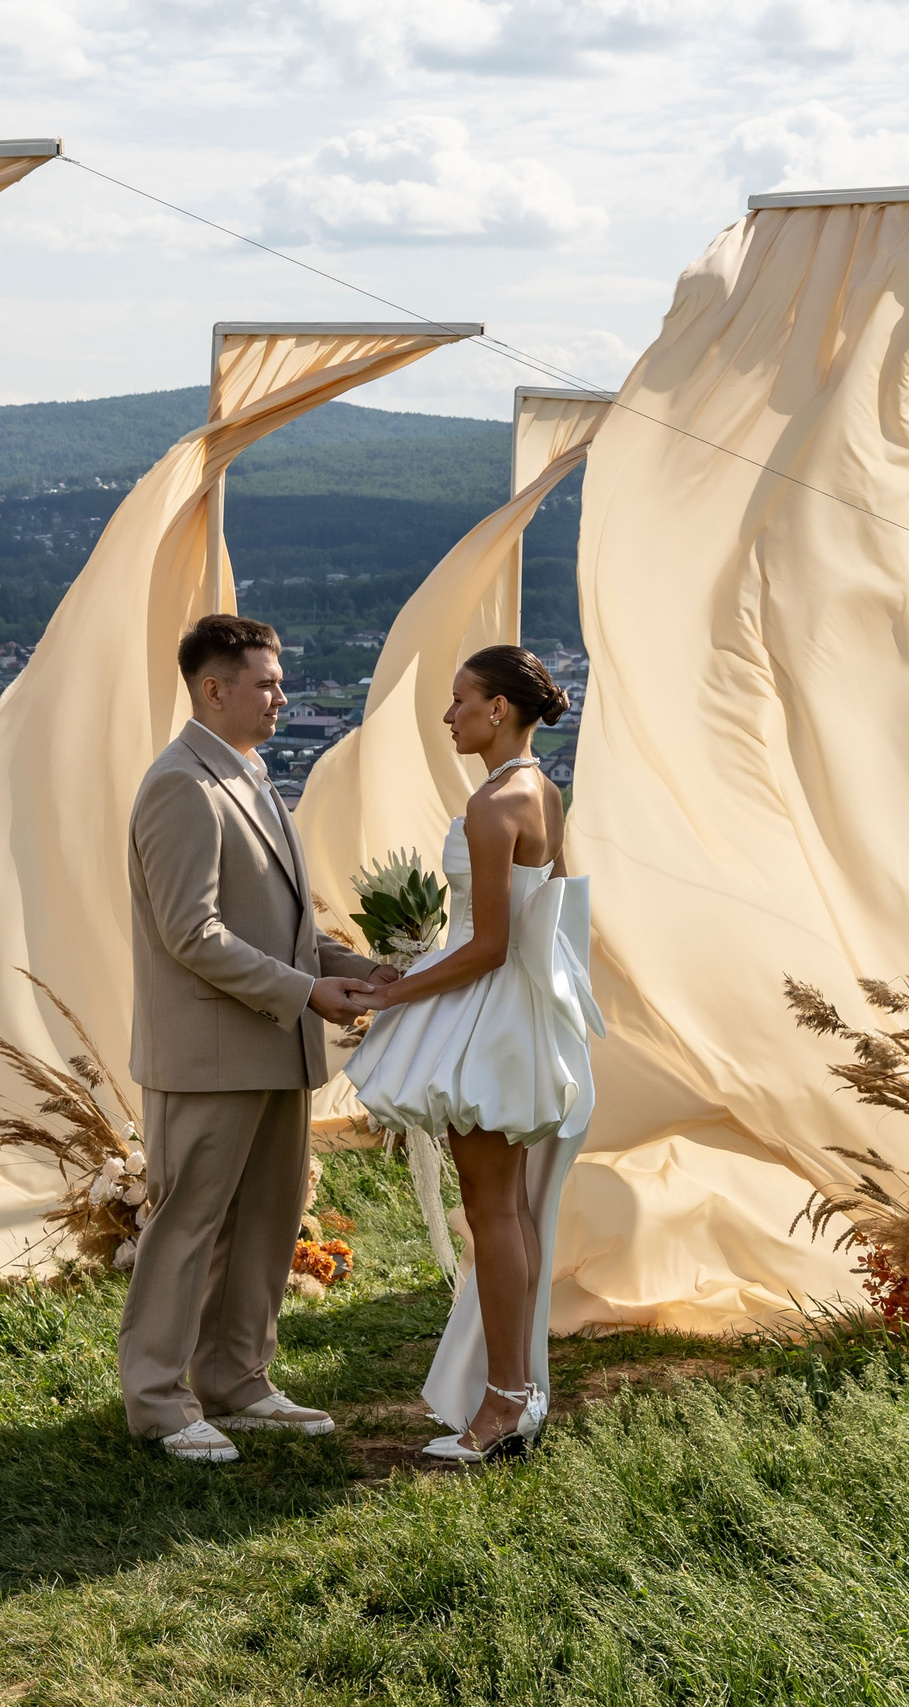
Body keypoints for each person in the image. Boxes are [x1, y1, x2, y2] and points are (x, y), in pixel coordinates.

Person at [120, 613, 391, 1463]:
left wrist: (372, 967)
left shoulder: (251, 775)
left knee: (270, 1221)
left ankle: (237, 1378)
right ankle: (160, 1401)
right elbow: (191, 934)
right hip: (206, 1055)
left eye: (278, 680)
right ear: (213, 689)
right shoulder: (181, 785)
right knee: (189, 1225)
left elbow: (289, 927)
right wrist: (310, 991)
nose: (282, 695)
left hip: (275, 1044)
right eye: (267, 682)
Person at [344, 644, 603, 1462]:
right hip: (513, 1014)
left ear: (499, 710)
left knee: (492, 1211)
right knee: (510, 1210)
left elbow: (490, 943)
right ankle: (515, 1390)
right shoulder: (541, 792)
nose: (450, 715)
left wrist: (395, 990)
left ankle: (503, 1401)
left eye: (461, 701)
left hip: (484, 1011)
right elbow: (545, 922)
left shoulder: (495, 807)